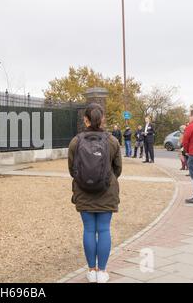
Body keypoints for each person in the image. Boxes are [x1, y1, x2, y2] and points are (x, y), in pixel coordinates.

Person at [68, 103, 122, 283]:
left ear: (85, 119)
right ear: (103, 118)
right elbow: (118, 169)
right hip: (107, 191)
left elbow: (72, 169)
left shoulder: (76, 141)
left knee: (89, 229)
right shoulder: (113, 141)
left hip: (83, 192)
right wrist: (106, 179)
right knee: (104, 229)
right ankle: (102, 272)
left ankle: (91, 271)